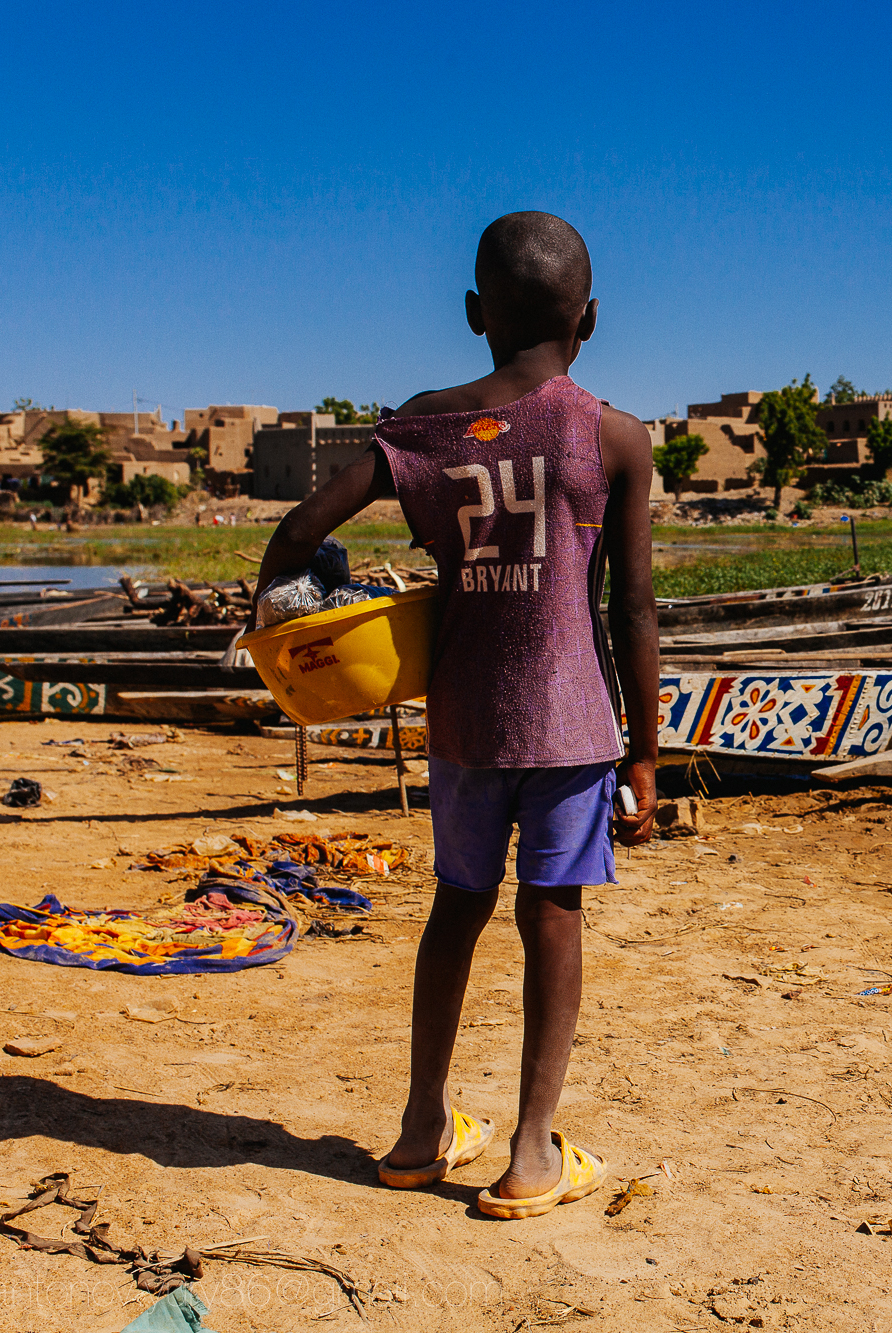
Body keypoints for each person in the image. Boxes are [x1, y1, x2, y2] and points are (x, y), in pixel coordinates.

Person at [253, 211, 657, 1219]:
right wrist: (644, 758)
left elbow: (300, 531)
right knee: (550, 913)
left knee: (456, 907)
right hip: (569, 723)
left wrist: (283, 630)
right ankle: (528, 1153)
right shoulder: (612, 436)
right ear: (591, 319)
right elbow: (633, 609)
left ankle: (419, 1128)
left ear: (474, 312)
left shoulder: (422, 427)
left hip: (467, 716)